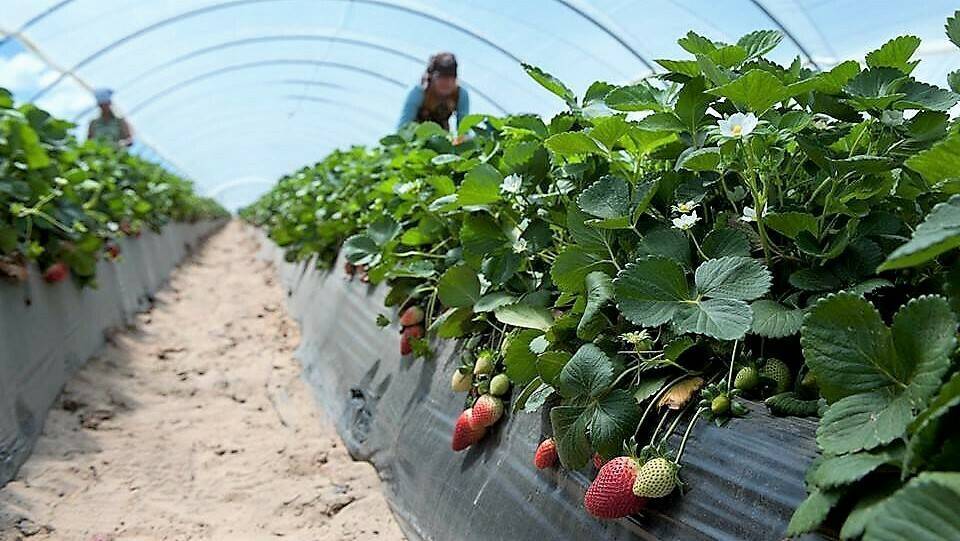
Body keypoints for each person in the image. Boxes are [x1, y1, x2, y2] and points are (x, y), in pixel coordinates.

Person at [398, 52, 469, 132]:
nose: (446, 82)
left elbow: (463, 128)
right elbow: (404, 125)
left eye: (450, 78)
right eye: (441, 77)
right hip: (415, 134)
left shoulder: (460, 94)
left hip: (441, 136)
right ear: (431, 77)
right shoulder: (419, 92)